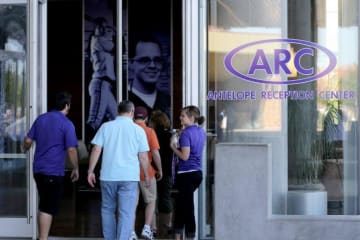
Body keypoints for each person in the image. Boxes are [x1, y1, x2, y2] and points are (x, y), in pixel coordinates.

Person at [87, 100, 150, 240]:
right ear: (132, 113)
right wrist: (146, 175)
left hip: (108, 176)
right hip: (129, 177)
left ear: (118, 111)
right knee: (126, 213)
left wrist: (90, 171)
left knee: (107, 210)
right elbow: (143, 156)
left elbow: (96, 149)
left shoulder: (106, 127)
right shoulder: (138, 130)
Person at [23, 91, 79, 240]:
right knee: (47, 207)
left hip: (38, 170)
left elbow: (28, 141)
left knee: (45, 204)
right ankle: (43, 238)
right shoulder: (66, 123)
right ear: (66, 105)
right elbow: (72, 149)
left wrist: (25, 149)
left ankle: (43, 236)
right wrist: (76, 168)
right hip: (53, 172)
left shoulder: (41, 119)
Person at [169, 106, 206, 240]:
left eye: (183, 116)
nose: (180, 118)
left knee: (187, 208)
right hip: (197, 173)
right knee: (181, 205)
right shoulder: (201, 132)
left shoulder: (186, 134)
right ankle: (178, 236)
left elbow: (184, 156)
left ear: (191, 118)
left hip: (186, 174)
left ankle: (190, 236)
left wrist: (173, 147)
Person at [132, 106, 163, 240]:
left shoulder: (129, 130)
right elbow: (155, 153)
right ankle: (147, 228)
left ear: (133, 117)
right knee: (150, 201)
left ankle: (131, 232)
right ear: (146, 118)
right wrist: (160, 169)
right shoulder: (149, 131)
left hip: (130, 173)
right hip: (147, 173)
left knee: (131, 205)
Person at [86, 17, 117, 131]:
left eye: (105, 27)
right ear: (95, 28)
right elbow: (116, 46)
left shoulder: (101, 40)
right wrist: (115, 30)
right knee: (94, 121)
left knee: (116, 118)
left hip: (105, 85)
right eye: (100, 26)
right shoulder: (98, 40)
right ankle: (87, 146)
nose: (103, 29)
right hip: (100, 83)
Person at [128, 34, 171, 117]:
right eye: (144, 60)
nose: (152, 65)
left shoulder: (168, 102)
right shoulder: (122, 98)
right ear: (131, 64)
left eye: (157, 60)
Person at [148, 110, 174, 237]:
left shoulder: (150, 134)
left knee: (151, 199)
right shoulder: (170, 135)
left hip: (151, 169)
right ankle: (167, 225)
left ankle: (153, 227)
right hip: (167, 169)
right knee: (166, 197)